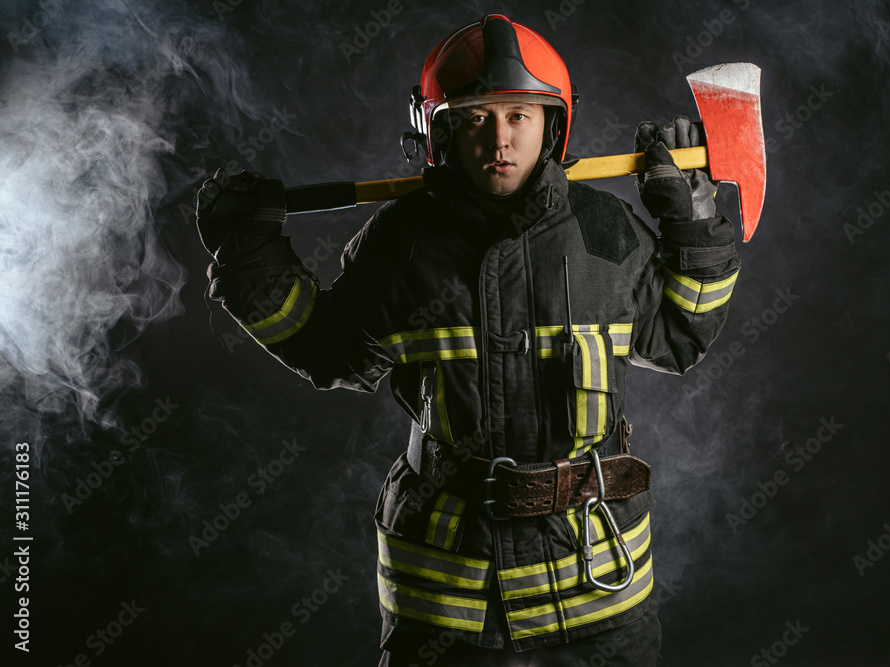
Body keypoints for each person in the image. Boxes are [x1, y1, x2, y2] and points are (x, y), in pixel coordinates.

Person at [196, 13, 739, 666]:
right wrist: (248, 253)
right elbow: (325, 348)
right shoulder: (400, 246)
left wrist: (694, 223)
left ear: (554, 125)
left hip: (599, 590)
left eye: (519, 116)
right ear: (440, 130)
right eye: (476, 117)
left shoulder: (607, 232)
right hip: (449, 600)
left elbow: (682, 333)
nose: (499, 140)